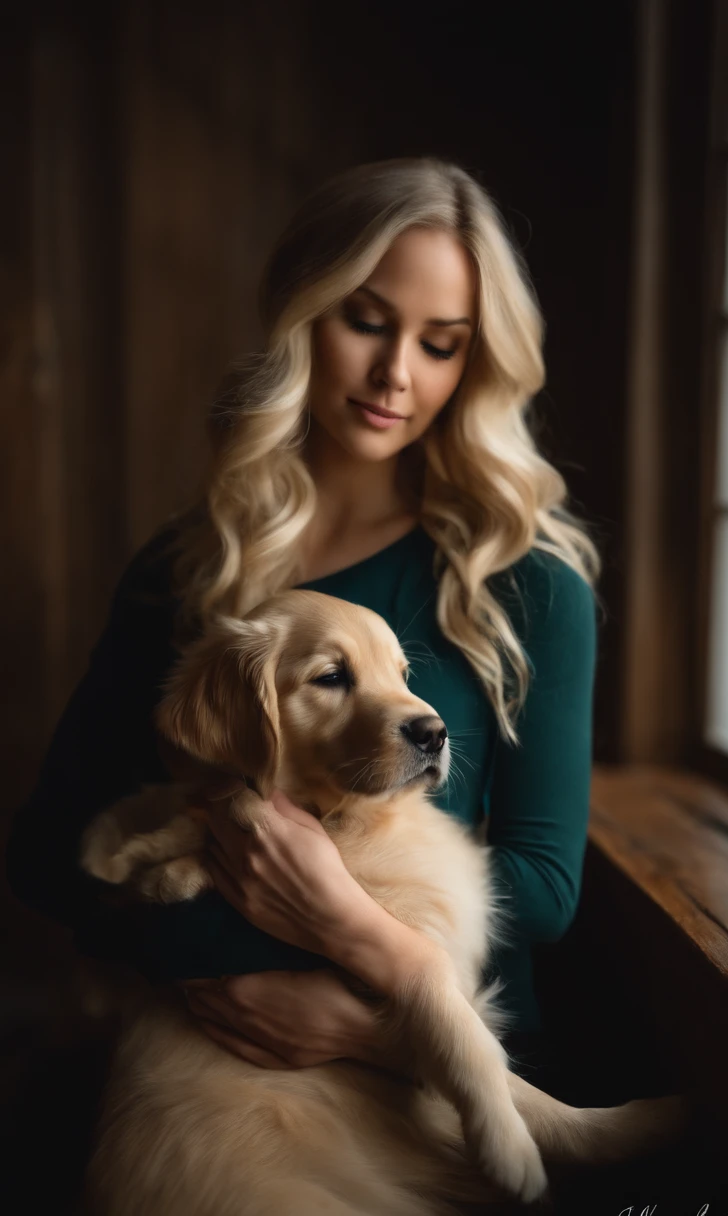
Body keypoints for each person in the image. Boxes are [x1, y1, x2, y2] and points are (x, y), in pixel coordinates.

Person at [5, 155, 600, 1095]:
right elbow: (47, 851)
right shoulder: (185, 572)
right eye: (366, 320)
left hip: (443, 1077)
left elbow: (545, 891)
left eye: (441, 343)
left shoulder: (524, 582)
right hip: (215, 1075)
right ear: (299, 313)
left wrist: (362, 969)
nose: (396, 373)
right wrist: (202, 961)